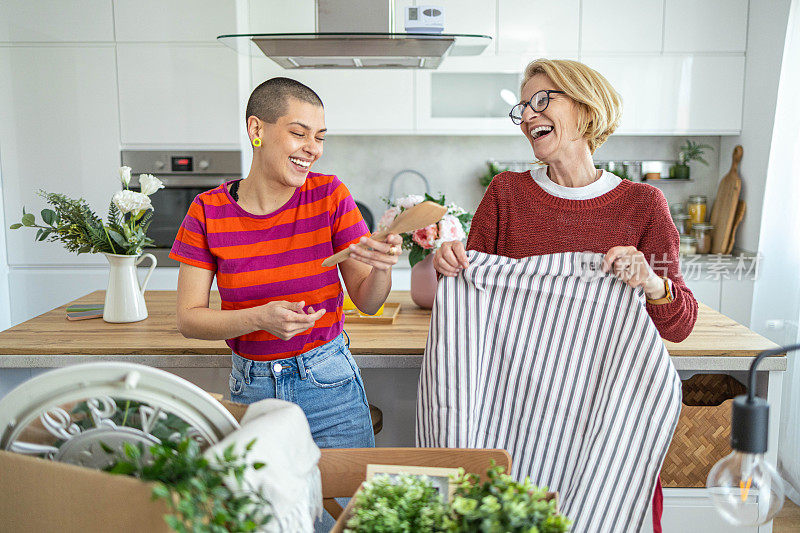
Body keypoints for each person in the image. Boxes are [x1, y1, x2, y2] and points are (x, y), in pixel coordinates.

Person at [433, 58, 698, 533]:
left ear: (585, 107)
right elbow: (473, 300)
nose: (529, 115)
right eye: (523, 107)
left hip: (603, 411)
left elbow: (679, 325)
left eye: (543, 100)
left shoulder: (642, 205)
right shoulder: (506, 193)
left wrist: (652, 282)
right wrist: (449, 264)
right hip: (515, 412)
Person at [170, 77, 402, 449]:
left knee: (345, 508)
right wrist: (259, 318)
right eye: (300, 133)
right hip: (253, 391)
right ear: (256, 129)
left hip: (330, 386)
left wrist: (382, 266)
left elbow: (369, 302)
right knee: (267, 508)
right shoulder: (207, 211)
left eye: (320, 137)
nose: (313, 149)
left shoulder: (330, 195)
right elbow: (189, 319)